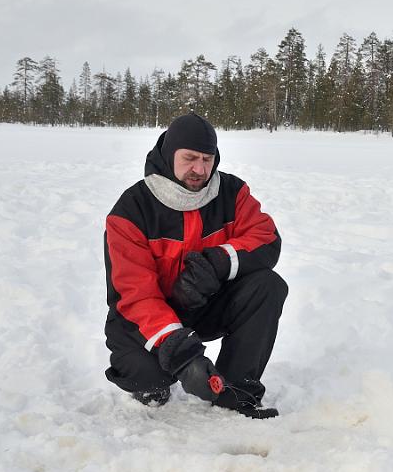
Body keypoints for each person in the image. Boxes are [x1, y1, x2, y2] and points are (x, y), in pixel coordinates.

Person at [104, 113, 288, 418]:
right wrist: (184, 356)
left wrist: (218, 263)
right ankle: (155, 379)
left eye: (207, 159)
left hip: (204, 308)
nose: (200, 169)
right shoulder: (131, 211)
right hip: (142, 322)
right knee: (149, 379)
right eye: (190, 158)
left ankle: (237, 393)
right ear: (168, 154)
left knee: (267, 285)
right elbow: (135, 296)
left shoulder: (232, 192)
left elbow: (266, 238)